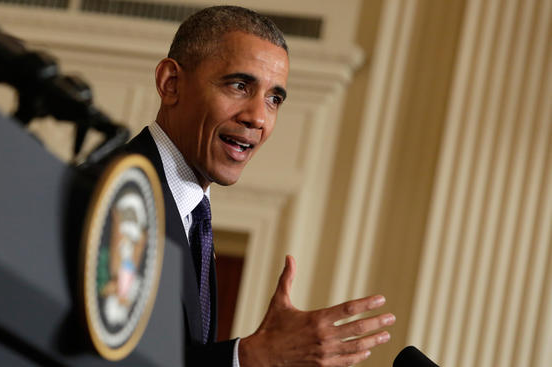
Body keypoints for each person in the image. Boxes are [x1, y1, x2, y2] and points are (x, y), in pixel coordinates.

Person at [118, 6, 396, 366]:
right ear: (171, 83)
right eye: (239, 85)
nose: (258, 117)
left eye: (274, 98)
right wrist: (248, 356)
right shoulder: (111, 194)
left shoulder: (193, 218)